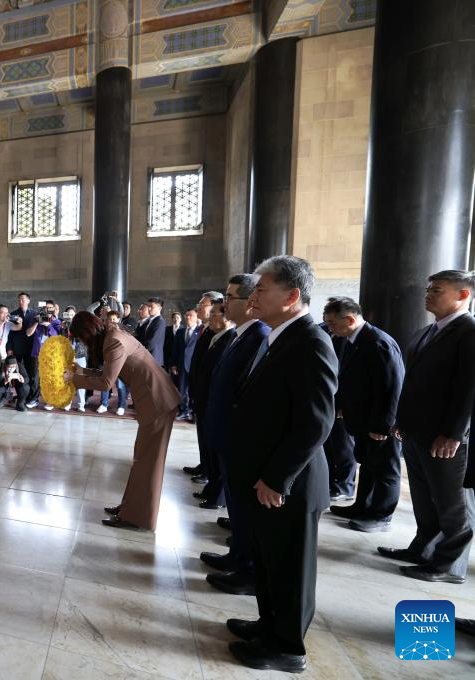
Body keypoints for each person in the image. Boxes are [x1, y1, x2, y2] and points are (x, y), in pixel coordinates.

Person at [225, 256, 336, 673]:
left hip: (289, 483)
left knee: (290, 568)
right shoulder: (280, 337)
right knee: (270, 560)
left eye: (261, 289)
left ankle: (288, 647)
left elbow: (315, 422)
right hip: (266, 476)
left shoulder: (310, 342)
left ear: (291, 296)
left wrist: (276, 478)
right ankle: (268, 625)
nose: (252, 296)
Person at [379, 270, 475, 584]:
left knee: (451, 505)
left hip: (444, 436)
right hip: (416, 431)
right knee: (424, 499)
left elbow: (468, 389)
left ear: (463, 295)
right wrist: (401, 421)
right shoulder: (428, 331)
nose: (428, 295)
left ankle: (447, 566)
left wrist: (454, 434)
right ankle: (422, 550)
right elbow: (413, 383)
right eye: (428, 289)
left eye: (437, 290)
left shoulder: (469, 331)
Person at [66, 311, 181, 531]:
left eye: (80, 338)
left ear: (87, 332)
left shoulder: (114, 341)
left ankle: (138, 518)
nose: (82, 342)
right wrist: (81, 371)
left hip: (157, 401)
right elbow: (108, 373)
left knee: (149, 464)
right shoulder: (112, 335)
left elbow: (106, 383)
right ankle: (130, 507)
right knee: (141, 458)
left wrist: (74, 379)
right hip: (154, 399)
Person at [200, 274, 271, 596]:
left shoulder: (259, 335)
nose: (224, 303)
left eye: (230, 297)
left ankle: (247, 568)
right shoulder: (242, 334)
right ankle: (237, 556)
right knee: (237, 505)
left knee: (246, 508)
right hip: (227, 436)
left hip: (240, 438)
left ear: (250, 300)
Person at [323, 297, 404, 532]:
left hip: (379, 423)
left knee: (386, 470)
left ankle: (381, 516)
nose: (329, 328)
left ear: (349, 319)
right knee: (367, 464)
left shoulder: (378, 342)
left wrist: (384, 425)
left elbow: (392, 387)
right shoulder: (351, 340)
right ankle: (363, 506)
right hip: (361, 420)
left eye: (332, 323)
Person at [196, 303, 237, 509]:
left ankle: (217, 496)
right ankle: (211, 488)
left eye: (214, 315)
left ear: (226, 318)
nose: (210, 318)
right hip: (205, 401)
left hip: (216, 403)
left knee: (218, 453)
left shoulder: (230, 338)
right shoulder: (215, 337)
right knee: (209, 449)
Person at [184, 292, 223, 479]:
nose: (199, 307)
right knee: (201, 432)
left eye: (203, 304)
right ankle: (204, 464)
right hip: (198, 390)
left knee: (209, 433)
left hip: (207, 392)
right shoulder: (204, 329)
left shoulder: (218, 332)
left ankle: (209, 471)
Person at [319, 313, 357, 502]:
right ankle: (331, 483)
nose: (329, 323)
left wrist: (344, 404)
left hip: (341, 399)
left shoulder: (349, 337)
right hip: (327, 397)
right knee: (328, 444)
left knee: (344, 445)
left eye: (332, 319)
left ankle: (345, 485)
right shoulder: (322, 330)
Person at [26, 301, 61, 410]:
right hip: (37, 353)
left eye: (50, 308)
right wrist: (37, 322)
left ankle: (50, 401)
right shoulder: (36, 319)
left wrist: (48, 325)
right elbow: (28, 333)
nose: (47, 310)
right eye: (46, 308)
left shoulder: (56, 321)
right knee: (35, 377)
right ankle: (34, 399)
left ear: (53, 309)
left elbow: (58, 336)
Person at [169, 308, 200, 419]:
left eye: (191, 315)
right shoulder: (180, 331)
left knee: (193, 390)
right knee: (181, 389)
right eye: (186, 315)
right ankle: (183, 411)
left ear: (196, 317)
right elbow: (175, 349)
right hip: (181, 365)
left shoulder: (200, 331)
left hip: (195, 366)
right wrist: (173, 364)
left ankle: (193, 411)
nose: (188, 317)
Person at [9, 292, 39, 407]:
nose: (20, 301)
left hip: (32, 349)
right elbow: (10, 334)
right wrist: (10, 348)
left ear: (28, 300)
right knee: (18, 373)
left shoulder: (35, 314)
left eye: (23, 299)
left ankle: (34, 398)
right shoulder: (13, 314)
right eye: (19, 299)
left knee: (33, 374)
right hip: (18, 348)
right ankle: (21, 395)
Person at [97, 311, 129, 415]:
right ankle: (104, 404)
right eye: (110, 319)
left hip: (120, 361)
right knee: (106, 383)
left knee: (120, 385)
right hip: (107, 361)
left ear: (118, 320)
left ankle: (121, 406)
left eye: (114, 319)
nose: (112, 321)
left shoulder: (123, 331)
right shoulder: (104, 331)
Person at [61, 307, 87, 412]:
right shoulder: (63, 326)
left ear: (75, 315)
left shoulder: (81, 325)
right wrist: (63, 329)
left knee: (80, 381)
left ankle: (81, 404)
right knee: (67, 380)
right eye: (68, 314)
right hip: (67, 356)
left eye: (72, 314)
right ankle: (68, 402)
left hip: (80, 356)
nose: (70, 316)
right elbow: (61, 340)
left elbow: (83, 338)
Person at [143, 297, 166, 365]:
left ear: (159, 308)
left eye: (151, 306)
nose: (149, 309)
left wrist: (140, 351)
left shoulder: (160, 321)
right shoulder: (149, 320)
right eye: (148, 306)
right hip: (147, 356)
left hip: (154, 357)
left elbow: (152, 341)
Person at [164, 311, 182, 381]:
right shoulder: (167, 329)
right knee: (167, 375)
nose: (176, 319)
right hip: (168, 354)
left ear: (180, 319)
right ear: (172, 319)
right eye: (174, 318)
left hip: (179, 355)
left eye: (178, 317)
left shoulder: (184, 329)